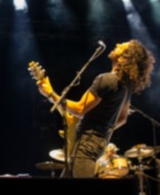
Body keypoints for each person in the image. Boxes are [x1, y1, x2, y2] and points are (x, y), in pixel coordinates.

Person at [36, 39, 155, 178]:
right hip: (96, 144)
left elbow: (80, 109)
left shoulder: (106, 79)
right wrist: (102, 133)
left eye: (121, 47)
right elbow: (122, 119)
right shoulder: (126, 86)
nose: (116, 44)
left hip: (86, 145)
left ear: (125, 58)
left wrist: (50, 93)